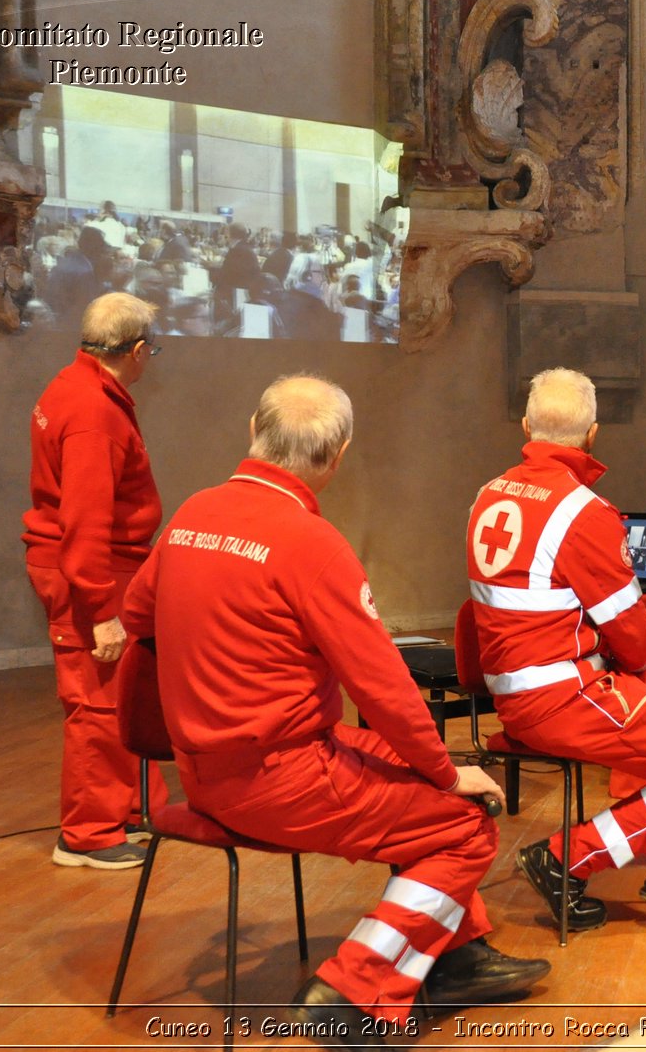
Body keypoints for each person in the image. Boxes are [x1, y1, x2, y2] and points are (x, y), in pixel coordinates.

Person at [121, 375, 549, 1044]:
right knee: (464, 823)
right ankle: (351, 989)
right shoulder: (311, 544)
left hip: (204, 772)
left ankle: (456, 955)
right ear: (337, 454)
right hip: (281, 777)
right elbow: (382, 684)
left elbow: (136, 615)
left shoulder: (193, 515)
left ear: (251, 429)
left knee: (419, 793)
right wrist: (443, 769)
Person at [466, 367, 646, 932]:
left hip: (527, 691)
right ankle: (566, 858)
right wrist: (629, 675)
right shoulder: (584, 512)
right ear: (593, 434)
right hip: (565, 696)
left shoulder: (488, 494)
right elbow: (633, 636)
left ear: (526, 426)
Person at [23, 292, 168, 870]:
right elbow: (85, 519)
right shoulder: (93, 412)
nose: (149, 359)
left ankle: (134, 806)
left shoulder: (72, 384)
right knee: (97, 705)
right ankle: (87, 834)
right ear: (135, 350)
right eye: (150, 350)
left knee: (122, 696)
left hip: (100, 567)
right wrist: (101, 609)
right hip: (94, 572)